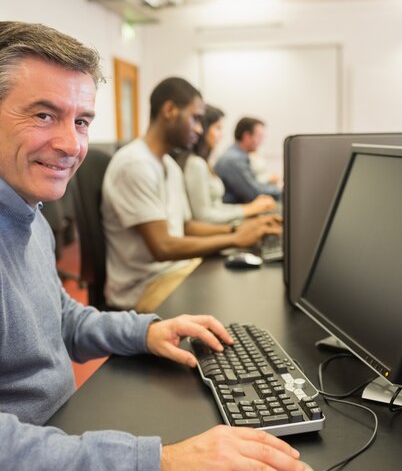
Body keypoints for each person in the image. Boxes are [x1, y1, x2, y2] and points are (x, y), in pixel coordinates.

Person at [0, 21, 315, 471]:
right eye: (44, 115)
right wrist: (160, 468)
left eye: (82, 121)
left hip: (57, 438)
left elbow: (58, 318)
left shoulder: (27, 214)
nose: (71, 144)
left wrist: (147, 332)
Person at [102, 79, 281, 312]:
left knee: (250, 289)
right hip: (144, 288)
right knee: (239, 305)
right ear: (169, 110)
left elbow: (186, 227)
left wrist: (240, 228)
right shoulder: (135, 165)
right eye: (195, 118)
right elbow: (163, 247)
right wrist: (235, 239)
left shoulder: (169, 165)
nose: (199, 129)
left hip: (175, 271)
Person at [173, 104, 277, 224]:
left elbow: (216, 206)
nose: (221, 135)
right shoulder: (196, 164)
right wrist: (247, 209)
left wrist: (248, 209)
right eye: (218, 128)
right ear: (204, 129)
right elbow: (203, 217)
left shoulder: (205, 162)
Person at [215, 117, 283, 204]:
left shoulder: (238, 155)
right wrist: (282, 190)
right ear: (247, 136)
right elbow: (254, 193)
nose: (262, 142)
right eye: (259, 137)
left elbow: (254, 186)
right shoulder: (234, 160)